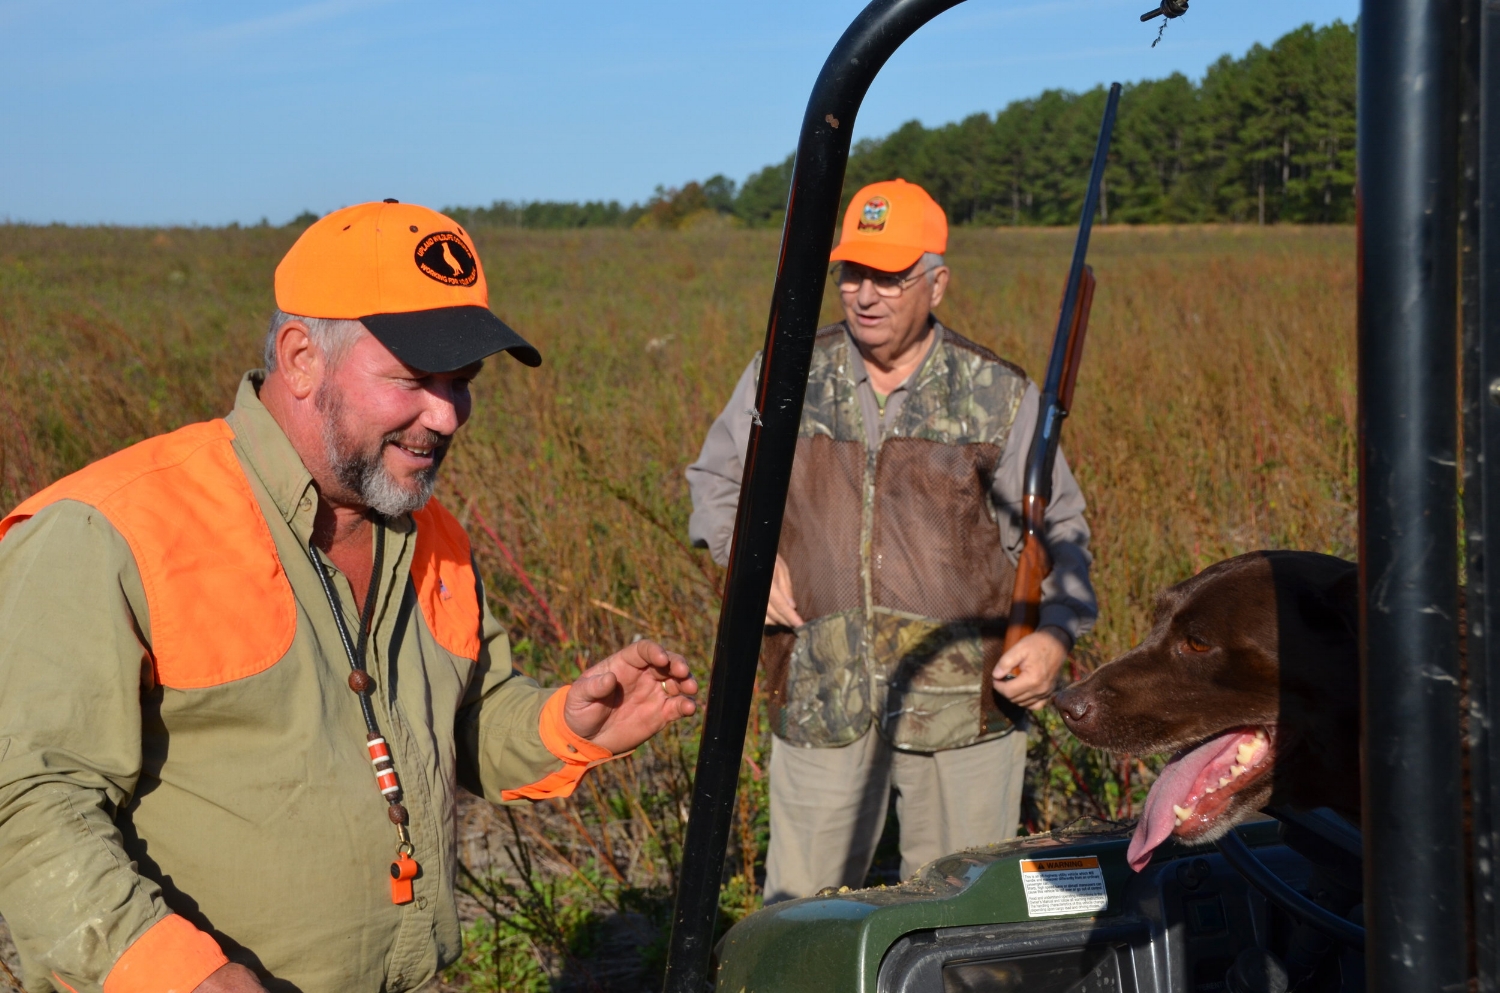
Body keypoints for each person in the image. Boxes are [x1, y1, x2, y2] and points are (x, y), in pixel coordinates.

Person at [0, 201, 698, 993]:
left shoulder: (431, 534)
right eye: (414, 379)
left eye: (462, 382)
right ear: (301, 357)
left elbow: (461, 719)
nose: (446, 415)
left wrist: (566, 723)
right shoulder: (110, 529)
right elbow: (30, 799)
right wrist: (179, 975)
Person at [687, 179, 1096, 902]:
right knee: (801, 913)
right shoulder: (785, 373)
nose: (865, 295)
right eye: (852, 273)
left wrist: (1055, 635)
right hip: (819, 692)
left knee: (964, 911)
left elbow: (1061, 529)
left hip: (966, 707)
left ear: (937, 284)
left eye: (890, 277)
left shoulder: (998, 392)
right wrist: (745, 558)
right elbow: (717, 479)